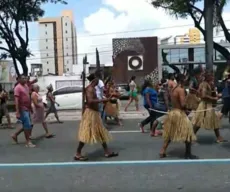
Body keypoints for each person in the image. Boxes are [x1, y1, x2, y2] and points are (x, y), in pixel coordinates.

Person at [74, 74, 118, 161]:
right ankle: (78, 153)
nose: (99, 82)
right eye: (98, 80)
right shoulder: (90, 89)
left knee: (101, 132)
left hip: (95, 114)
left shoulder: (92, 88)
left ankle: (107, 152)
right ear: (95, 80)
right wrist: (102, 100)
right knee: (86, 133)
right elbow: (90, 101)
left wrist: (108, 98)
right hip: (90, 113)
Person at [160, 74, 197, 159]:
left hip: (173, 113)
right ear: (182, 80)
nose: (187, 81)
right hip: (179, 114)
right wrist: (189, 107)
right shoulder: (181, 90)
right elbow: (183, 104)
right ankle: (188, 154)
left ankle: (162, 151)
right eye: (186, 79)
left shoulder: (173, 90)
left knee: (169, 133)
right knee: (188, 133)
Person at [192, 72, 226, 143]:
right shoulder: (204, 84)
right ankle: (191, 135)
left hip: (207, 105)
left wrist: (214, 91)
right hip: (205, 105)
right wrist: (214, 98)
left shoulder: (206, 84)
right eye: (211, 76)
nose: (213, 77)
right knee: (199, 122)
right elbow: (203, 95)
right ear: (208, 77)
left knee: (214, 120)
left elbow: (199, 93)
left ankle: (218, 137)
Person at [11, 74, 35, 147]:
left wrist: (30, 107)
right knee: (27, 125)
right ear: (19, 79)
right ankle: (28, 142)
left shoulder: (26, 86)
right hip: (22, 109)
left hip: (27, 108)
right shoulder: (17, 88)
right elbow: (16, 100)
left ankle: (15, 135)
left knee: (29, 124)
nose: (25, 79)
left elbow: (28, 97)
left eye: (25, 78)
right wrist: (17, 111)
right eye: (23, 78)